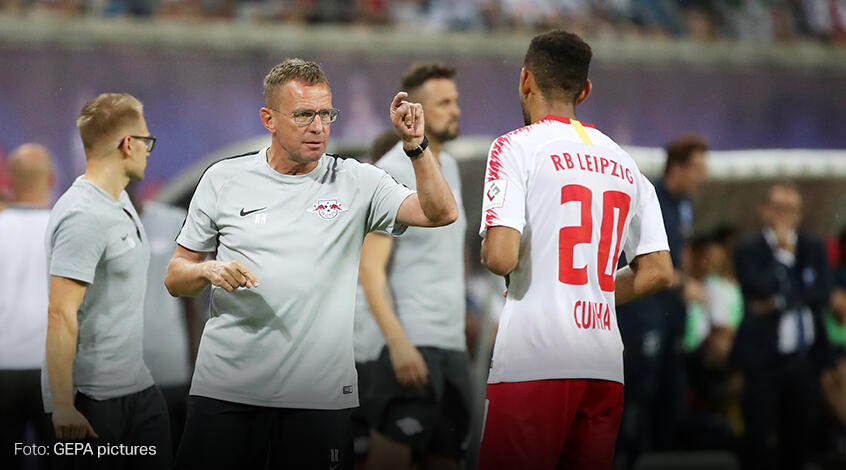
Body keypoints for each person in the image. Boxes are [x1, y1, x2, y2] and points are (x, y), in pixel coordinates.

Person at [164, 58, 458, 470]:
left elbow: (440, 213)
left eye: (326, 114)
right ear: (268, 118)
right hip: (227, 390)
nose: (318, 127)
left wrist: (416, 146)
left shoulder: (358, 181)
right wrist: (206, 270)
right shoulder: (223, 179)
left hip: (317, 399)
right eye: (304, 115)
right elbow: (175, 276)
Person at [476, 29, 674, 470]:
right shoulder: (625, 162)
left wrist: (491, 247)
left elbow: (501, 257)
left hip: (534, 358)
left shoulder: (513, 147)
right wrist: (592, 292)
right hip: (603, 365)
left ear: (525, 80)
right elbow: (659, 270)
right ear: (584, 91)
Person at [42, 93, 172, 468]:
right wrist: (63, 406)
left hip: (139, 389)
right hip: (94, 403)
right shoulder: (83, 215)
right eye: (146, 141)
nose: (148, 150)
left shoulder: (119, 200)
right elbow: (60, 314)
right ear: (128, 144)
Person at [359, 62, 471, 470]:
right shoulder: (389, 171)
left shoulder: (450, 167)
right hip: (409, 343)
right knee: (390, 460)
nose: (455, 110)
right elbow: (369, 271)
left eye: (455, 101)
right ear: (417, 110)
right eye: (443, 103)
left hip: (451, 345)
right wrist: (398, 343)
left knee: (447, 460)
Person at [615, 134, 708, 460]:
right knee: (639, 389)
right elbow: (641, 263)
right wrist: (684, 283)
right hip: (643, 310)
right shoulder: (648, 198)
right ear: (676, 168)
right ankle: (628, 457)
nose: (702, 177)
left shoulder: (685, 204)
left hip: (671, 311)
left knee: (670, 391)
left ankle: (660, 457)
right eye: (697, 168)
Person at [731, 181, 833, 470]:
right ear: (764, 210)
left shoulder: (813, 246)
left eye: (790, 209)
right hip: (763, 358)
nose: (784, 216)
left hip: (804, 358)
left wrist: (778, 301)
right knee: (759, 436)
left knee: (799, 436)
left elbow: (822, 294)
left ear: (799, 214)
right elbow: (755, 287)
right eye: (778, 208)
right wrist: (785, 256)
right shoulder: (748, 247)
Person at [128, 187, 201, 458]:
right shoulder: (94, 227)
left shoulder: (173, 221)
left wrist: (195, 363)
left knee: (171, 455)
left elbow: (190, 301)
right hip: (113, 376)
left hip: (170, 368)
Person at [0, 143, 54, 470]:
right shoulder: (64, 230)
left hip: (2, 365)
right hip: (54, 369)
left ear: (10, 179)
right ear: (51, 180)